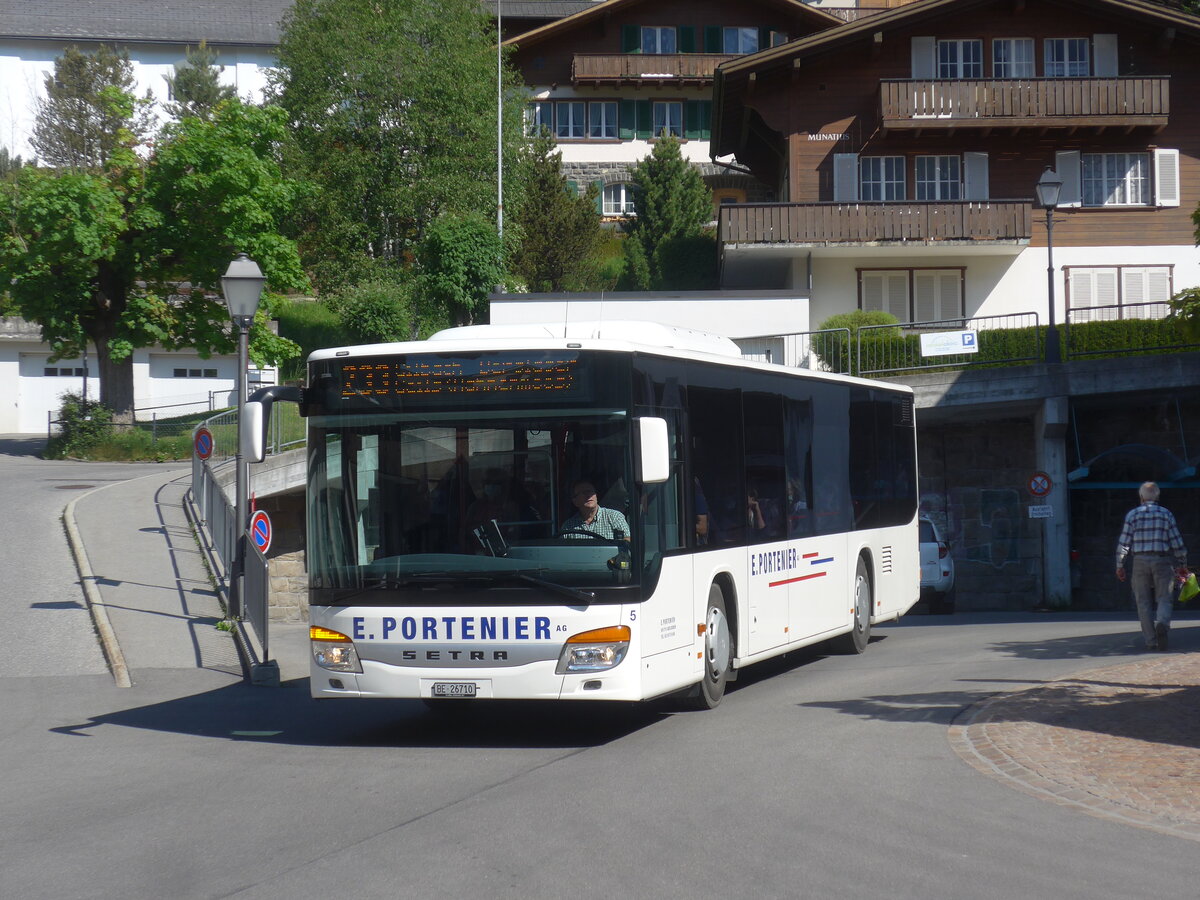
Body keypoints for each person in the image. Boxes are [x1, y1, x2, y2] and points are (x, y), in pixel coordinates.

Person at [1115, 481, 1189, 651]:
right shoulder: (1166, 514)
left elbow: (1124, 543)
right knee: (1164, 597)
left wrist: (1120, 564)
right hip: (1161, 559)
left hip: (1140, 560)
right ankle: (1162, 623)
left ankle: (1151, 641)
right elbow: (1176, 542)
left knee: (1143, 601)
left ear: (1141, 497)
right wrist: (1182, 563)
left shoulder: (1132, 515)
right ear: (1158, 496)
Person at [562, 479, 630, 540]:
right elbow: (563, 551)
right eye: (584, 493)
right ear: (575, 501)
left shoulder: (615, 517)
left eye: (590, 492)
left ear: (596, 496)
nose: (588, 495)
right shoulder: (568, 526)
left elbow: (627, 541)